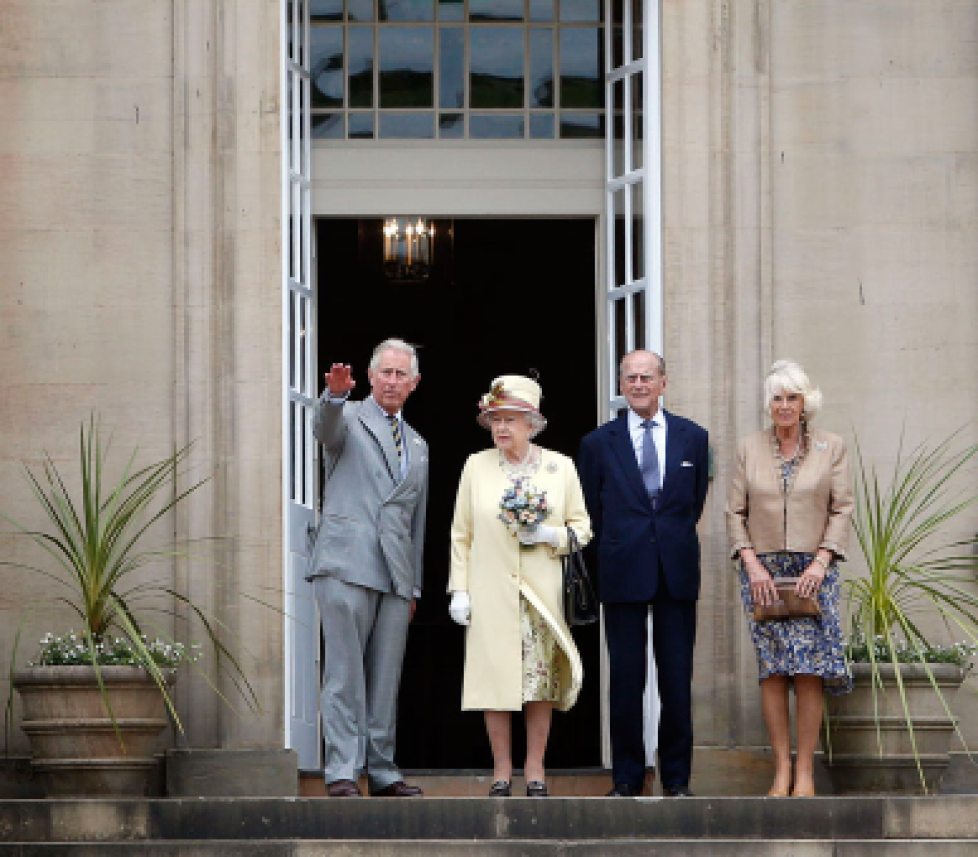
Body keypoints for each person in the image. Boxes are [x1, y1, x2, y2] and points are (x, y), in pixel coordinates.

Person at [448, 375, 591, 798]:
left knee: (538, 684)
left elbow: (582, 529)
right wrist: (460, 589)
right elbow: (461, 534)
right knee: (495, 682)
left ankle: (535, 769)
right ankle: (500, 771)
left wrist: (549, 535)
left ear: (532, 423)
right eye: (495, 420)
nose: (501, 428)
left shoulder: (560, 467)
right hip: (491, 591)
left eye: (510, 419)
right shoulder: (476, 465)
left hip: (541, 594)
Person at [578, 350, 709, 797]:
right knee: (626, 682)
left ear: (663, 382)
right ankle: (627, 778)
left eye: (646, 377)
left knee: (676, 681)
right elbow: (591, 512)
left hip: (675, 572)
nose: (638, 385)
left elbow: (691, 506)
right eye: (630, 378)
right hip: (622, 572)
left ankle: (676, 779)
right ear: (621, 384)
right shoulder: (598, 443)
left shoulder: (694, 437)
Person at [306, 338, 428, 798]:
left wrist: (413, 585)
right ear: (372, 377)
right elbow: (324, 430)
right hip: (346, 561)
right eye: (386, 373)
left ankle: (381, 770)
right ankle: (342, 770)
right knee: (344, 672)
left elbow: (417, 520)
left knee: (384, 679)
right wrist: (334, 396)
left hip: (394, 574)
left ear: (414, 384)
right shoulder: (350, 417)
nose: (393, 381)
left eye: (402, 375)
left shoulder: (418, 445)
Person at [725, 359, 854, 797]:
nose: (784, 406)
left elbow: (842, 508)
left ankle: (806, 773)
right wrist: (751, 562)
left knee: (809, 672)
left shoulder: (831, 447)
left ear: (805, 403)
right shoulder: (748, 447)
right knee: (773, 672)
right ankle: (781, 770)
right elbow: (734, 512)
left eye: (792, 397)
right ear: (769, 404)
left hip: (813, 573)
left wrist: (820, 562)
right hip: (762, 574)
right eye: (777, 398)